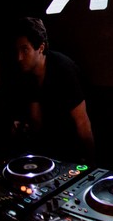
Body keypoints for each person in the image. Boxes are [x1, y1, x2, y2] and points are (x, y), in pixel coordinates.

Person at [12, 17, 96, 165]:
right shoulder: (28, 76)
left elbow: (82, 122)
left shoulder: (63, 69)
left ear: (41, 48)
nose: (19, 57)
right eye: (17, 50)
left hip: (73, 152)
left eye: (25, 50)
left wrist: (91, 165)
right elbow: (36, 121)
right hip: (51, 153)